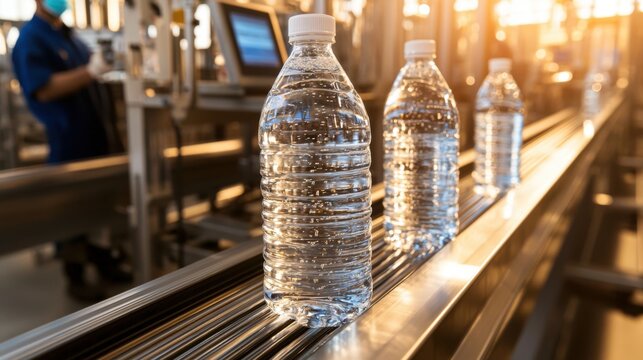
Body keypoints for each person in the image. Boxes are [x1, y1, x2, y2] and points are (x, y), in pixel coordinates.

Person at [11, 0, 129, 301]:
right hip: (68, 137)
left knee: (99, 202)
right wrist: (90, 71)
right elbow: (44, 88)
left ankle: (103, 260)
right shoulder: (31, 38)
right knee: (71, 205)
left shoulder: (69, 36)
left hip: (95, 135)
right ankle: (75, 276)